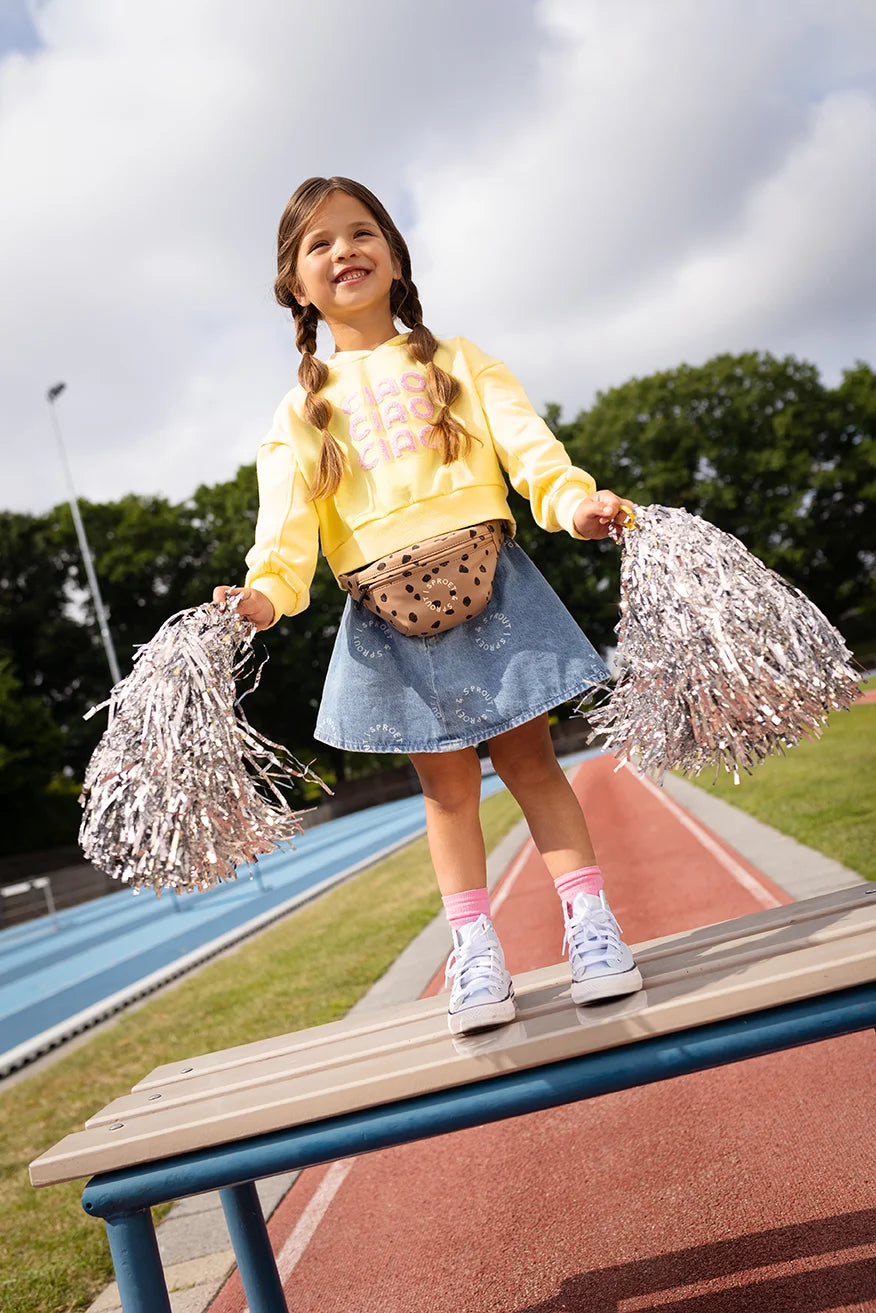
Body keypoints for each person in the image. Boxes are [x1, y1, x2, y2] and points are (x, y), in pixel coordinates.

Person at [214, 176, 643, 1034]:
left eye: (362, 231)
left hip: (493, 585)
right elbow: (287, 532)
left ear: (396, 255)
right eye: (321, 244)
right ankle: (475, 949)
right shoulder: (300, 411)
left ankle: (591, 926)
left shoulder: (457, 362)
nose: (346, 250)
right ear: (294, 284)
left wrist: (574, 504)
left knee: (531, 766)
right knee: (447, 794)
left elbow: (533, 453)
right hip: (385, 610)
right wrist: (263, 596)